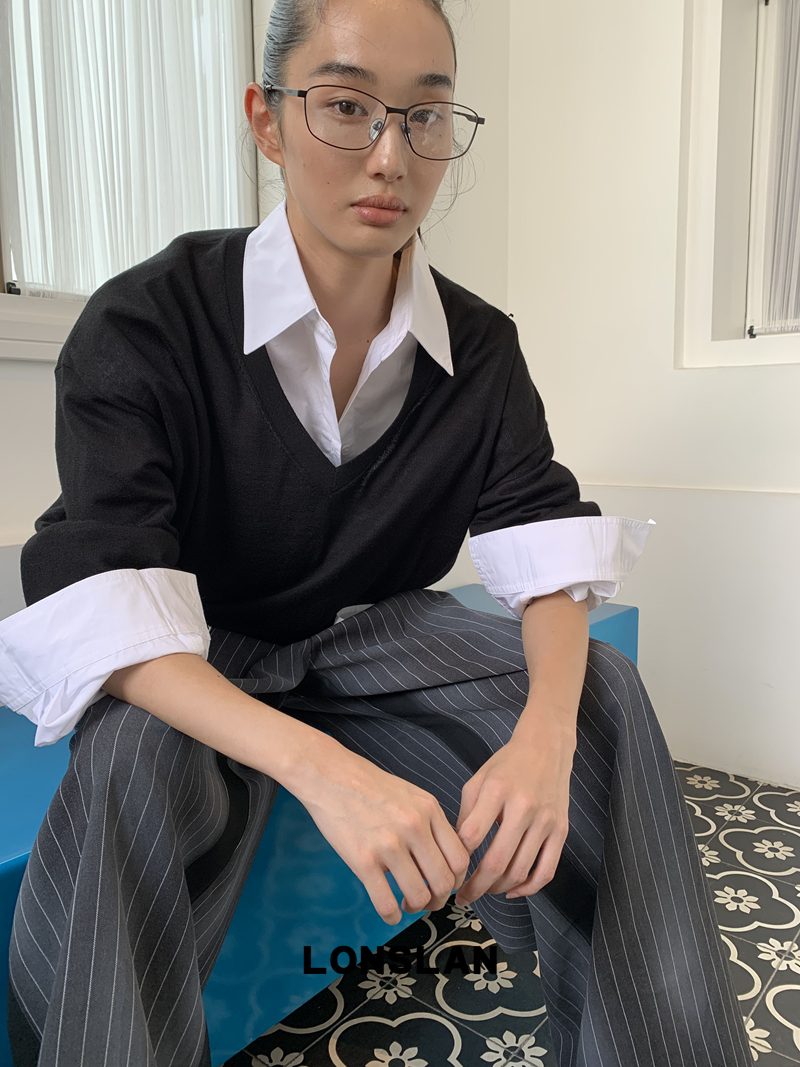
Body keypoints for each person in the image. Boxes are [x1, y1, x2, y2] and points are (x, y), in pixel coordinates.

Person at [0, 1, 751, 1065]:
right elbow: (108, 596)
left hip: (370, 638)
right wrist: (324, 769)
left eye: (425, 116)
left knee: (601, 696)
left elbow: (543, 540)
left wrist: (542, 739)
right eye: (346, 107)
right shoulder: (146, 321)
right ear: (267, 120)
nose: (391, 156)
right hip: (193, 652)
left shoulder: (480, 348)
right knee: (126, 760)